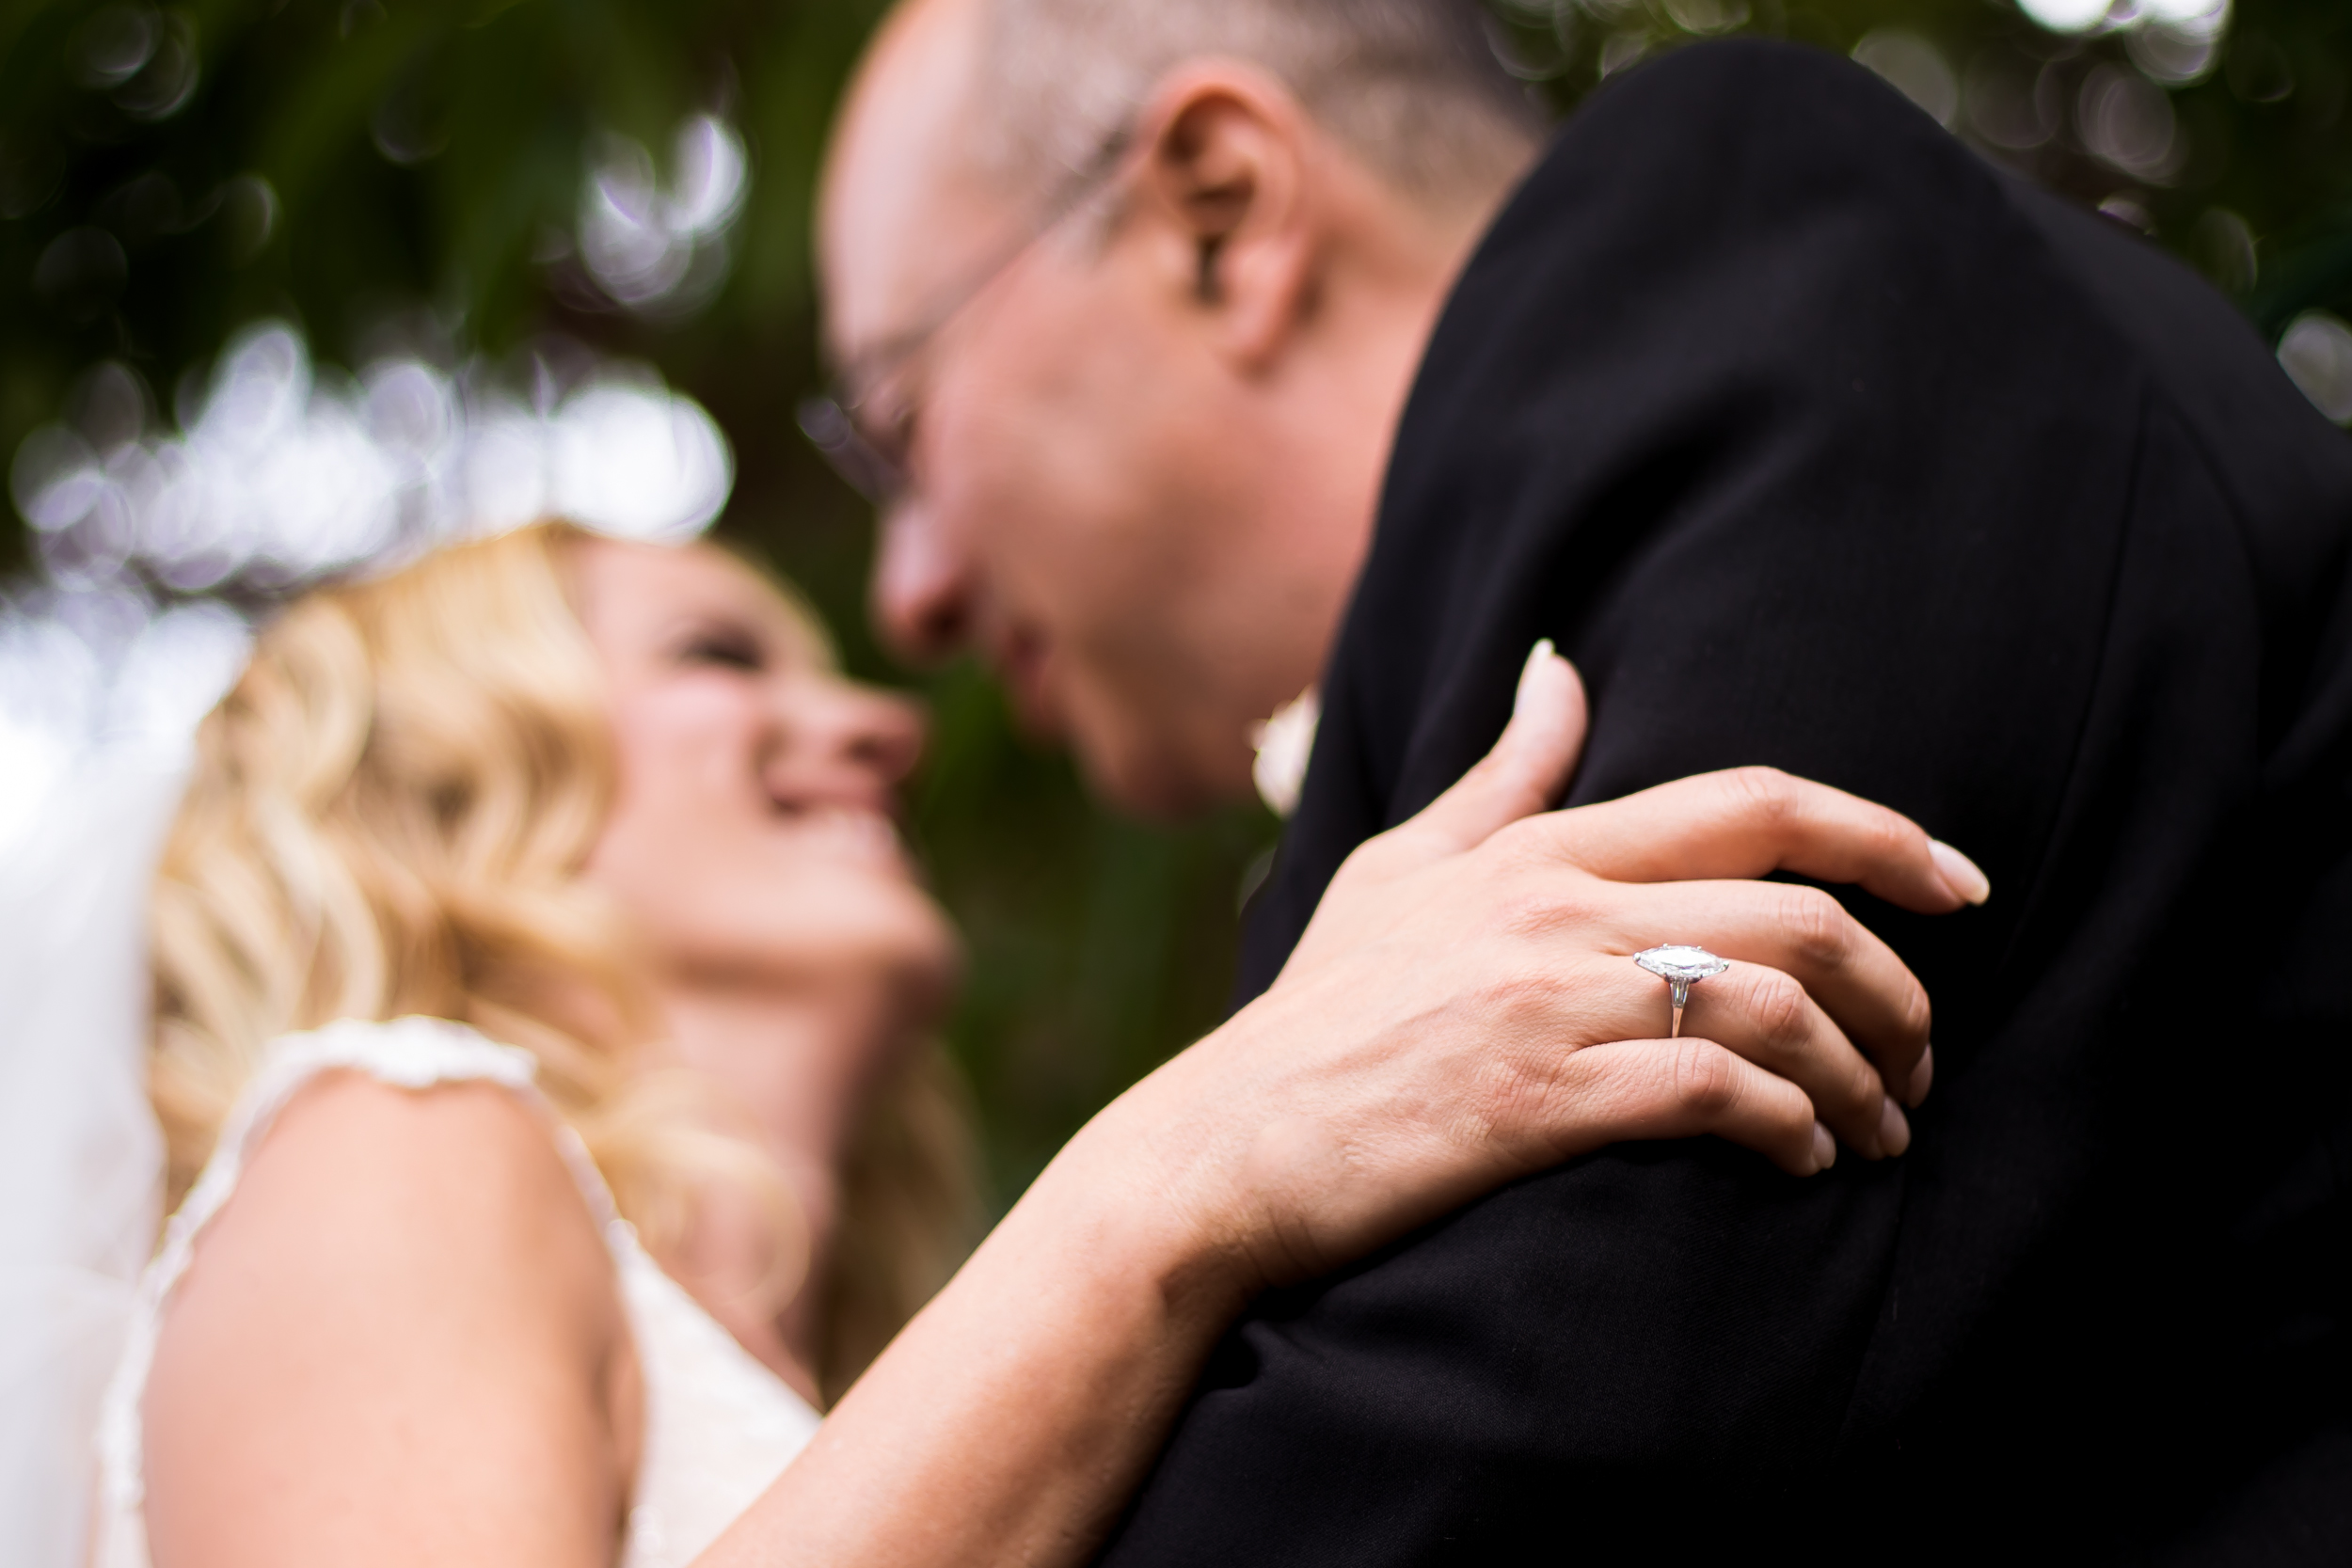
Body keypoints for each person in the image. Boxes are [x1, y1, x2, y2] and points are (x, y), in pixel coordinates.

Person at [811, 0, 2352, 1559]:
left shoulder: (1730, 246)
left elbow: (1530, 1430)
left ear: (1220, 207)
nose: (907, 598)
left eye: (897, 425)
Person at [96, 518, 1978, 1567]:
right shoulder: (392, 1133)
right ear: (440, 786)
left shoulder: (894, 1418)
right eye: (716, 660)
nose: (878, 726)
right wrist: (1200, 1154)